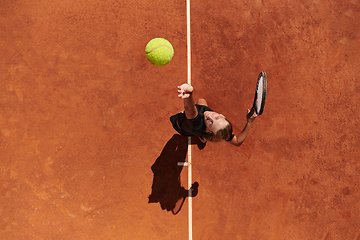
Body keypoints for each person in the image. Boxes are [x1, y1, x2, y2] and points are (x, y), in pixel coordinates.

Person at [170, 83, 257, 147]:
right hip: (204, 130)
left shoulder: (196, 122)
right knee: (201, 101)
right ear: (222, 116)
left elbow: (189, 108)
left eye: (211, 123)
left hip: (182, 126)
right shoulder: (220, 130)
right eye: (217, 117)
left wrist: (189, 94)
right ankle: (204, 137)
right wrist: (249, 122)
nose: (210, 116)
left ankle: (202, 136)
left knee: (191, 109)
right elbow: (237, 141)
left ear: (208, 130)